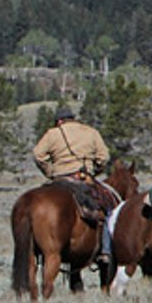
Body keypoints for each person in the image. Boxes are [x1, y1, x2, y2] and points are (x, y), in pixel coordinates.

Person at [32, 106, 118, 266]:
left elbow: (38, 154)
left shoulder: (53, 133)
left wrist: (50, 172)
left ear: (59, 121)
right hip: (84, 179)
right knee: (108, 209)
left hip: (59, 179)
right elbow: (104, 157)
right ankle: (106, 249)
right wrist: (95, 170)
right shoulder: (91, 132)